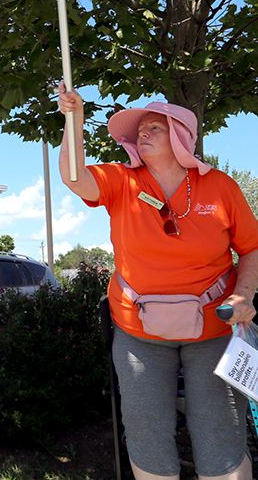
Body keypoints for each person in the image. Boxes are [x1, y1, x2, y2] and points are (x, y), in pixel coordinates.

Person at [57, 86, 258, 480]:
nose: (142, 134)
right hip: (139, 333)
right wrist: (74, 120)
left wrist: (245, 293)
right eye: (140, 130)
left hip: (214, 329)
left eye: (155, 127)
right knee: (148, 439)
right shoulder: (121, 181)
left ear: (181, 136)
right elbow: (75, 178)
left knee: (222, 440)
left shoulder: (220, 187)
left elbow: (252, 248)